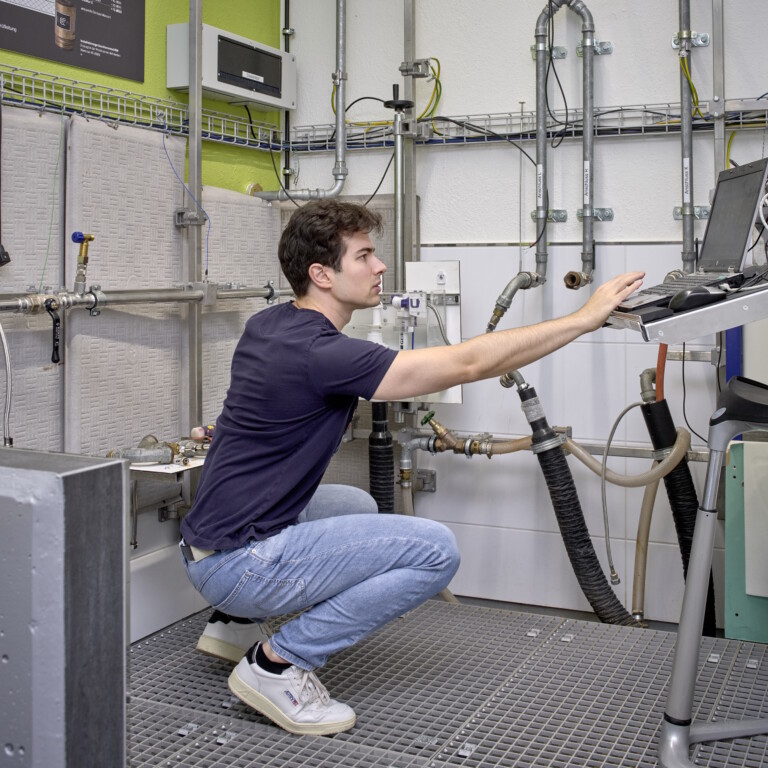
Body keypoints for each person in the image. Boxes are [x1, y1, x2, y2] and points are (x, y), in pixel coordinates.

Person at [179, 199, 644, 736]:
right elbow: (469, 362)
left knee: (354, 504)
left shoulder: (271, 325)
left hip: (204, 546)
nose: (379, 267)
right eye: (364, 256)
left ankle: (232, 625)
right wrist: (583, 319)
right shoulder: (323, 354)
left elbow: (256, 410)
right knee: (435, 551)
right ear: (322, 274)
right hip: (240, 563)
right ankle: (277, 665)